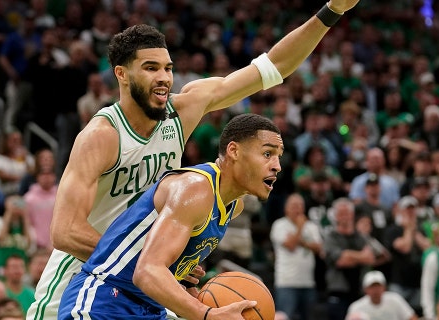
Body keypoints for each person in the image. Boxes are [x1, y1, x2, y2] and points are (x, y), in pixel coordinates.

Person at [30, 1, 361, 318]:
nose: (164, 77)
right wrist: (155, 260)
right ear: (122, 74)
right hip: (80, 279)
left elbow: (273, 67)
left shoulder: (183, 109)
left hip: (142, 282)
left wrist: (332, 10)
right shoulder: (102, 135)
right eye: (150, 68)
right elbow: (65, 232)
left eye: (168, 68)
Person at [56, 113, 282, 319]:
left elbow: (162, 258)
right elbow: (148, 271)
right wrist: (208, 314)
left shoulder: (234, 206)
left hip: (149, 308)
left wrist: (182, 275)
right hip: (105, 299)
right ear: (234, 151)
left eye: (278, 156)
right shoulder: (195, 189)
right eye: (267, 154)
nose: (277, 166)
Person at [270, 193, 322, 320]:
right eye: (294, 206)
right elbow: (290, 245)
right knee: (284, 316)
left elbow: (319, 248)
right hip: (286, 282)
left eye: (300, 206)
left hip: (307, 282)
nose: (298, 209)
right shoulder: (279, 225)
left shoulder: (311, 226)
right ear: (286, 208)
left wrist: (300, 241)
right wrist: (299, 227)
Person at [347, 271, 417, 320]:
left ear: (384, 287)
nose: (375, 290)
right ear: (365, 289)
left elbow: (412, 317)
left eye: (378, 286)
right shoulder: (356, 307)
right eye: (372, 287)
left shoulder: (395, 299)